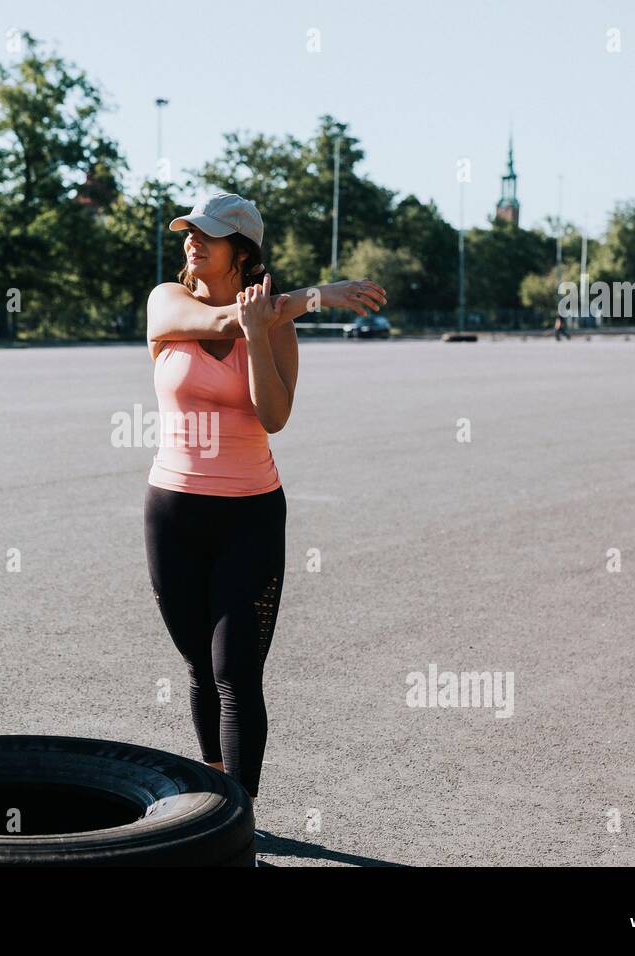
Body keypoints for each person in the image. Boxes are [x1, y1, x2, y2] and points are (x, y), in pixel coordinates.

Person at [144, 192, 386, 802]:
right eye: (188, 232)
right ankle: (211, 801)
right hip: (173, 511)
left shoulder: (274, 331)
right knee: (199, 667)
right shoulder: (166, 302)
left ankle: (239, 818)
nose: (192, 241)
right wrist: (316, 297)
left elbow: (274, 416)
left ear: (242, 252)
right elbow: (220, 321)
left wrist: (262, 332)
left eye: (208, 234)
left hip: (250, 514)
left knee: (236, 676)